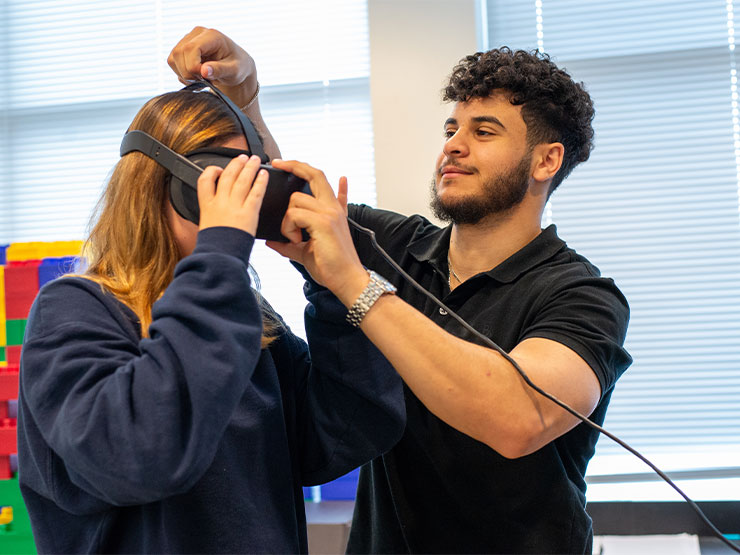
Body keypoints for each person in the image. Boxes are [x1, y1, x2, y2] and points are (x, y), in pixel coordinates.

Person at [168, 28, 632, 554]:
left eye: (484, 131)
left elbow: (519, 418)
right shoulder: (392, 246)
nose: (453, 144)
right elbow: (279, 202)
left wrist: (353, 284)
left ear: (546, 161)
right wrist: (244, 95)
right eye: (452, 127)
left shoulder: (583, 296)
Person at [16, 84, 405, 554]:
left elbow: (346, 432)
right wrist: (220, 255)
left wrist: (335, 284)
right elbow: (140, 456)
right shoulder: (74, 309)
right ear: (173, 187)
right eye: (225, 184)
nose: (243, 207)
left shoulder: (248, 322)